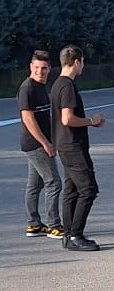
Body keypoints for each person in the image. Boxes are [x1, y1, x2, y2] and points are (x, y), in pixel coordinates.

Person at [50, 45, 105, 252]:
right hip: (72, 145)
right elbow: (67, 118)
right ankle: (76, 234)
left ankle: (68, 235)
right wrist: (92, 120)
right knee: (89, 189)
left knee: (71, 190)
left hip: (64, 144)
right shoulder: (67, 87)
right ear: (77, 62)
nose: (83, 66)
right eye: (82, 62)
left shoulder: (57, 85)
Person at [17, 49, 63, 239]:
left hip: (40, 142)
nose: (40, 72)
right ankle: (54, 225)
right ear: (30, 67)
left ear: (49, 69)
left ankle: (34, 225)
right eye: (37, 68)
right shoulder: (27, 88)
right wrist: (46, 143)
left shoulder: (41, 86)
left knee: (34, 185)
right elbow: (28, 118)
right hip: (35, 144)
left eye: (44, 68)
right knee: (54, 182)